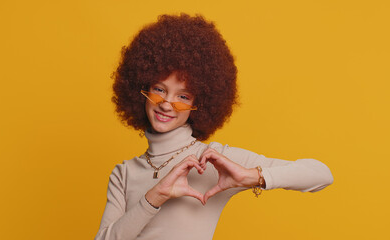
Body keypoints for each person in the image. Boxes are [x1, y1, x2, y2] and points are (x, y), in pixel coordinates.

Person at [94, 13, 333, 240]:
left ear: (201, 103)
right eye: (159, 89)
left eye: (183, 97)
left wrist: (252, 177)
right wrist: (156, 196)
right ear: (142, 88)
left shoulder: (210, 162)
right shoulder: (124, 173)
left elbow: (321, 174)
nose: (167, 104)